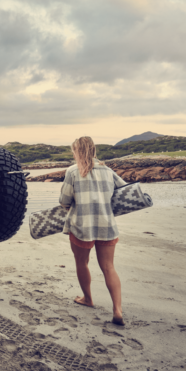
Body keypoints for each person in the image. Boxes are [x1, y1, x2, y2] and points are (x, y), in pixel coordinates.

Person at [59, 136, 128, 326]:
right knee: (108, 267)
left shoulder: (73, 171)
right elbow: (126, 192)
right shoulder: (108, 171)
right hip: (106, 225)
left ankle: (88, 299)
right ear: (93, 150)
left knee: (82, 263)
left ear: (77, 151)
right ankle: (118, 310)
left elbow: (64, 201)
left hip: (81, 226)